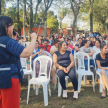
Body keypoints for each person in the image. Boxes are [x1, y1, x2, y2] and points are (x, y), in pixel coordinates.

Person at [0, 16, 37, 108]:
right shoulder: (8, 41)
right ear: (5, 27)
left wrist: (13, 38)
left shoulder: (6, 41)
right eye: (11, 25)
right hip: (10, 78)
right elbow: (27, 52)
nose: (13, 27)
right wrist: (33, 39)